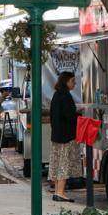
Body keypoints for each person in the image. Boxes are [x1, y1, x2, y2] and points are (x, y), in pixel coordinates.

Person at [49, 71, 80, 202]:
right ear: (66, 81)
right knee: (64, 163)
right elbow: (69, 115)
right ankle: (61, 192)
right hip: (66, 135)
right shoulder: (65, 96)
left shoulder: (56, 95)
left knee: (57, 162)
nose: (75, 83)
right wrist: (79, 116)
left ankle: (57, 191)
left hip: (56, 134)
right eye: (73, 81)